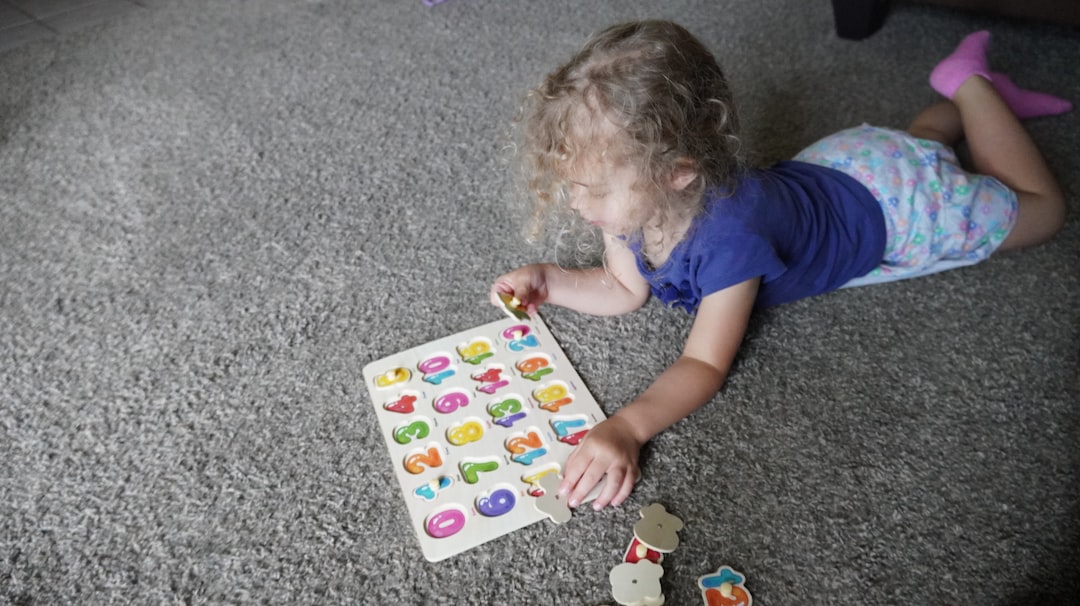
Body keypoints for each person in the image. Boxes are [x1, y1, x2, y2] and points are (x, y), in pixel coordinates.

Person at [488, 21, 1069, 511]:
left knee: (1043, 211)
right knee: (917, 140)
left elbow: (703, 363)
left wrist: (628, 426)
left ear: (678, 172)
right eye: (571, 187)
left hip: (897, 202)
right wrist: (551, 281)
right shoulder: (634, 207)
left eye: (592, 191)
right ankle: (945, 112)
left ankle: (971, 88)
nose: (575, 204)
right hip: (844, 164)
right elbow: (622, 287)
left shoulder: (730, 240)